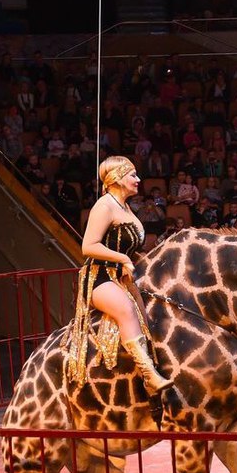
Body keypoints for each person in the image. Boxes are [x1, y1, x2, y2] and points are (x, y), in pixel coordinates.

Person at [66, 156, 172, 393]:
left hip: (120, 277)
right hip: (100, 277)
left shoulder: (124, 207)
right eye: (132, 175)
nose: (138, 179)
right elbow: (89, 246)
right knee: (127, 309)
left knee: (147, 316)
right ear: (116, 178)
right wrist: (123, 259)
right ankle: (149, 377)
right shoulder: (104, 206)